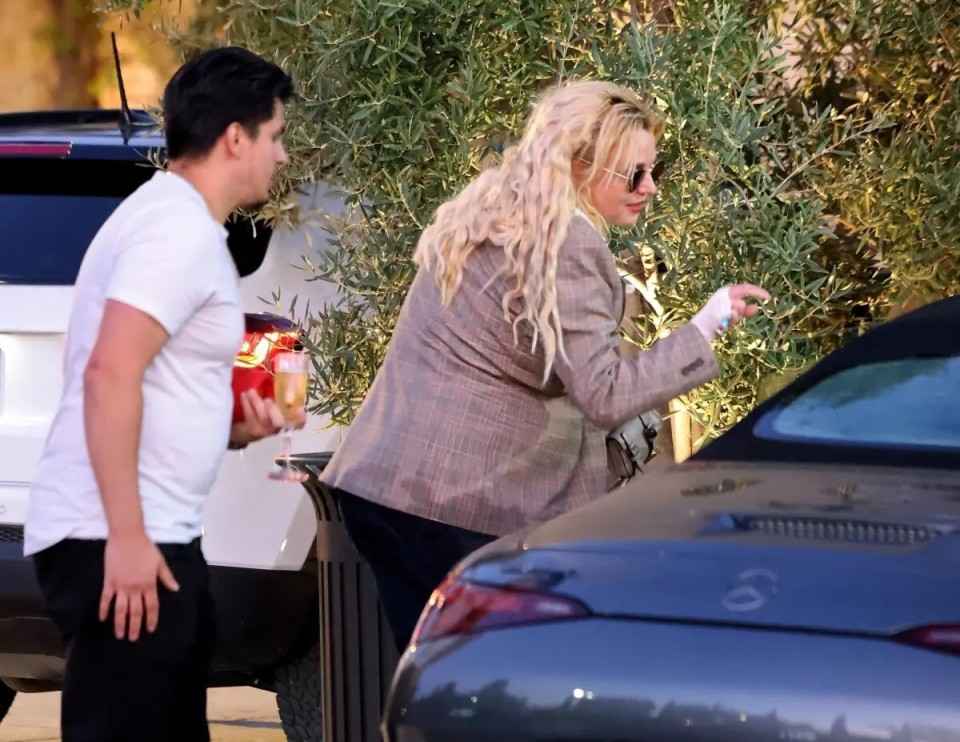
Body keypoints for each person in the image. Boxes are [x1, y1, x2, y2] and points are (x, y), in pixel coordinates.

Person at [320, 80, 769, 652]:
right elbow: (604, 393)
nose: (650, 187)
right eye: (634, 174)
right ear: (581, 165)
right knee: (489, 681)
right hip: (451, 505)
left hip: (389, 488)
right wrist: (704, 327)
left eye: (653, 170)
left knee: (436, 680)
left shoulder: (495, 210)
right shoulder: (567, 240)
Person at [23, 47, 299, 742]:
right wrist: (126, 538)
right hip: (122, 539)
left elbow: (150, 381)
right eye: (275, 135)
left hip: (152, 534)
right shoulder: (175, 231)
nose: (282, 154)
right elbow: (110, 373)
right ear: (235, 137)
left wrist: (233, 428)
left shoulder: (173, 222)